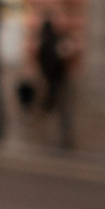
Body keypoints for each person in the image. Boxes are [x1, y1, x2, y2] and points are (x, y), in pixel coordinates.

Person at [33, 12, 76, 150]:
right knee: (56, 107)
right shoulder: (52, 40)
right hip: (55, 78)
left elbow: (41, 58)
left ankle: (54, 134)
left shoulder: (48, 39)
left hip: (51, 78)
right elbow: (50, 58)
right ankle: (55, 135)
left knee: (53, 106)